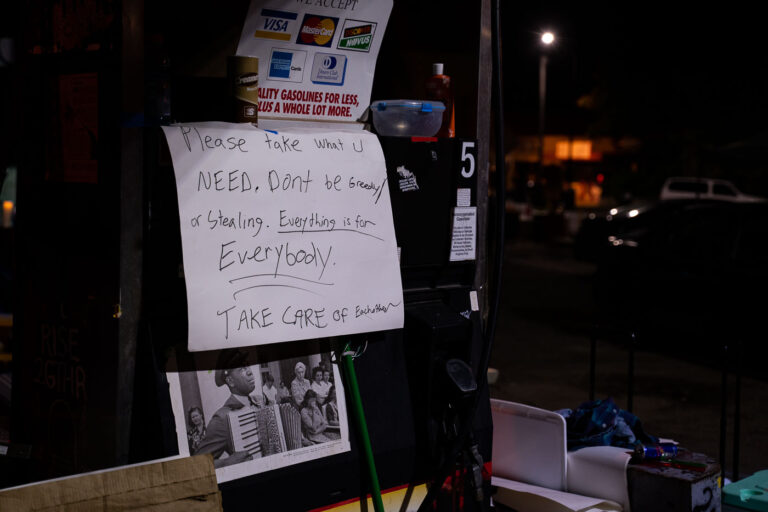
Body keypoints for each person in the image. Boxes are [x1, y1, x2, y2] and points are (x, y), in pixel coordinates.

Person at [194, 349, 263, 468]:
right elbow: (196, 465)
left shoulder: (260, 402)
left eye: (247, 366)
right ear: (230, 381)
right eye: (241, 369)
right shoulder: (222, 418)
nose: (250, 372)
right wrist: (226, 463)